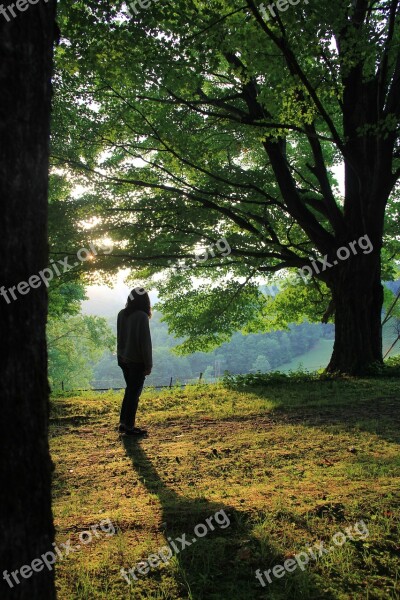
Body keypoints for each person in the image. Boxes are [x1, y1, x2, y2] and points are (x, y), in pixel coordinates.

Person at [117, 288, 152, 436]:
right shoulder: (142, 316)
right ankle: (129, 427)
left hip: (123, 358)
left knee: (129, 391)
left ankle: (124, 424)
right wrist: (148, 364)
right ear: (145, 301)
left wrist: (121, 355)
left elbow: (120, 337)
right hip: (137, 361)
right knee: (134, 394)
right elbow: (145, 343)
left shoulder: (121, 314)